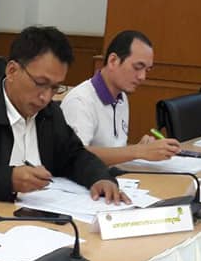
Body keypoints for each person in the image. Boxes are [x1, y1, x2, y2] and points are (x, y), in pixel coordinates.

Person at [0, 26, 127, 208]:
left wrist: (100, 177)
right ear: (12, 71)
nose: (46, 97)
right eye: (40, 83)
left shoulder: (50, 114)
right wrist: (7, 180)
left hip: (47, 215)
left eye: (54, 87)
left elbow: (74, 155)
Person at [60, 30, 180, 165]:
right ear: (113, 61)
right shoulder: (80, 101)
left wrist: (141, 149)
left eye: (147, 70)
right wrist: (137, 151)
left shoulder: (121, 97)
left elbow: (115, 149)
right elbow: (76, 155)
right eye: (137, 67)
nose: (142, 77)